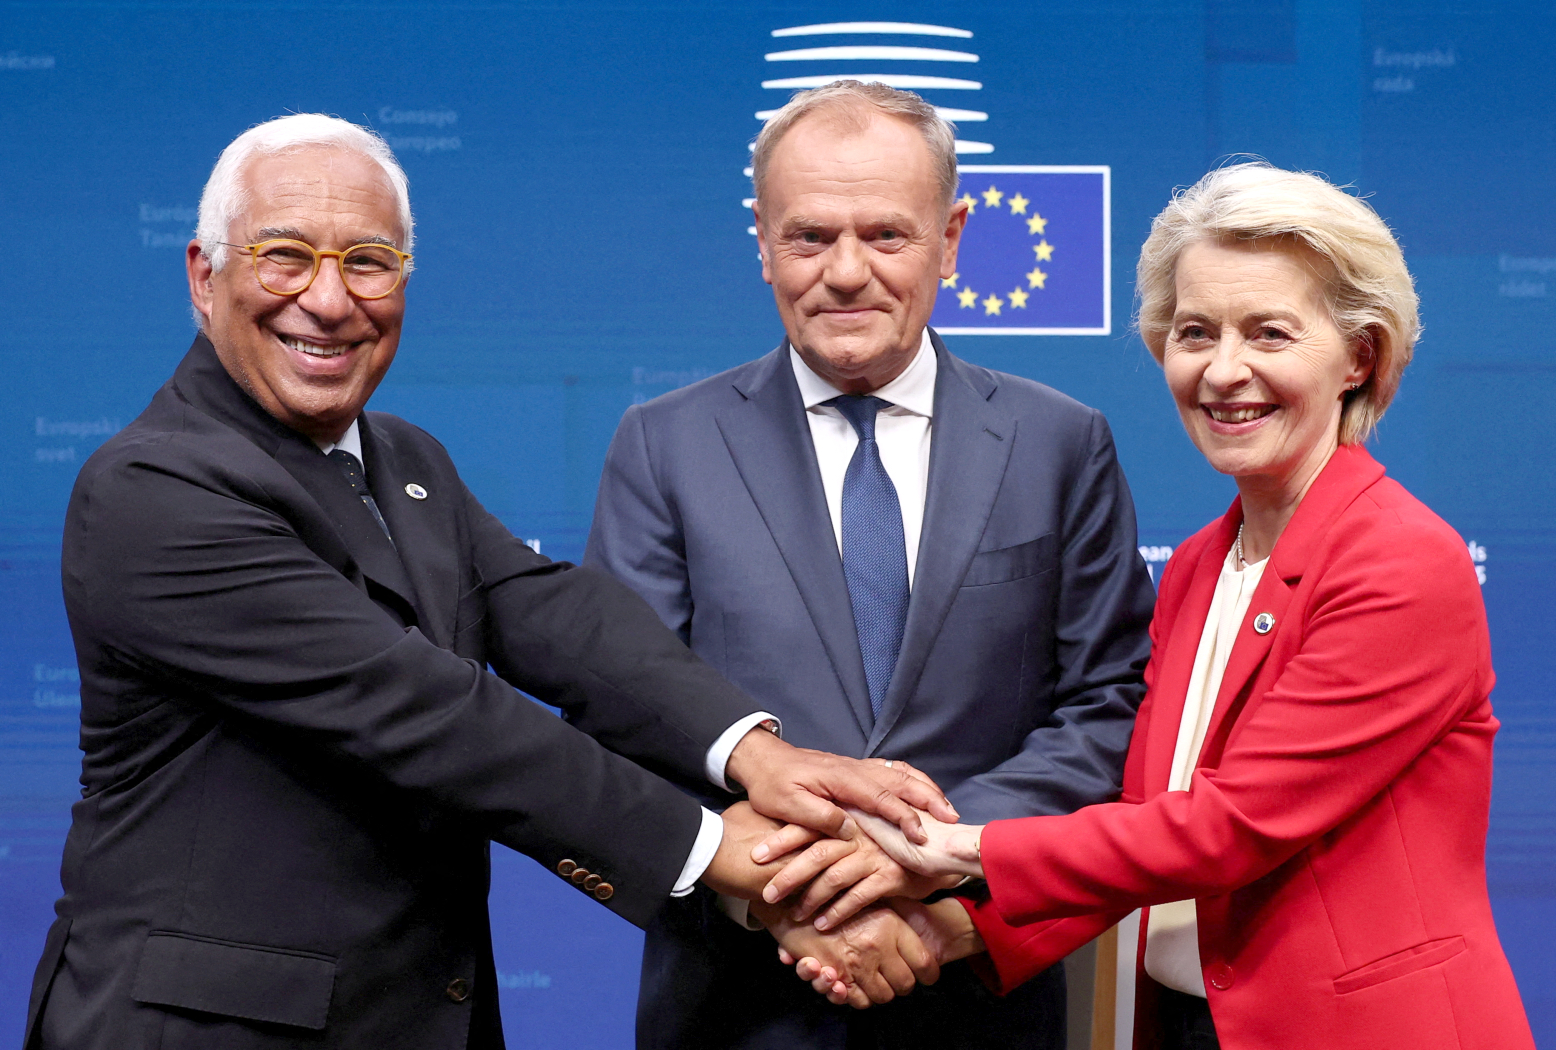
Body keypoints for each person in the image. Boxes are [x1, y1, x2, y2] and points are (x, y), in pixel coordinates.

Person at [23, 114, 956, 1050]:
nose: (329, 299)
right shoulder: (155, 488)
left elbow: (550, 615)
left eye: (368, 261)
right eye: (285, 257)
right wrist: (722, 851)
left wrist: (757, 756)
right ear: (204, 275)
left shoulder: (403, 458)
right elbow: (429, 713)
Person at [785, 162, 1537, 1050]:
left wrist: (957, 851)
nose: (1223, 371)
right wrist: (948, 932)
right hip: (1192, 1022)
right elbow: (1147, 813)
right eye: (1194, 332)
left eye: (1268, 333)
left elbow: (1229, 828)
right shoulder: (1196, 565)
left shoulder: (1399, 560)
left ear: (1358, 358)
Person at [584, 81, 1154, 1049]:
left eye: (886, 235)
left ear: (952, 239)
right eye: (809, 237)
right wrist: (775, 893)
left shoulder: (1060, 443)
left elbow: (1110, 705)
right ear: (762, 241)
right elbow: (619, 714)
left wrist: (931, 855)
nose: (846, 273)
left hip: (977, 1002)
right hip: (735, 1009)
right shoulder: (663, 446)